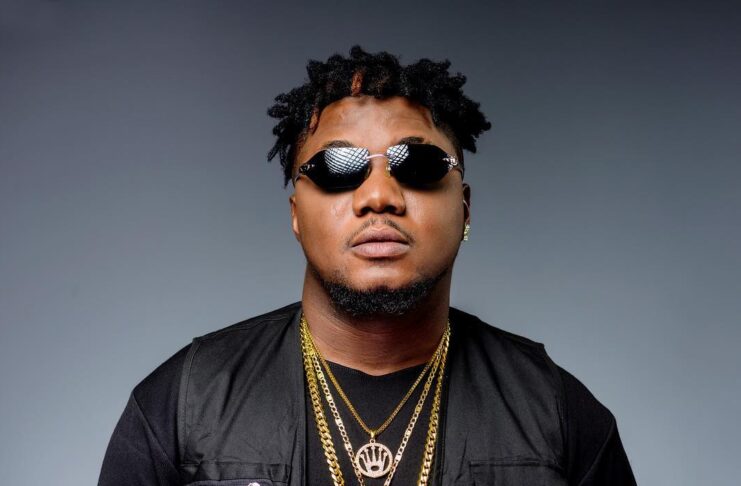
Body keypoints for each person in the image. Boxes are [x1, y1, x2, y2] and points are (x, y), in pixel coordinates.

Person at [98, 46, 636, 486]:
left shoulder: (556, 412)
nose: (379, 196)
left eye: (418, 165)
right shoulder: (184, 403)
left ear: (465, 208)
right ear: (296, 215)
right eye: (338, 167)